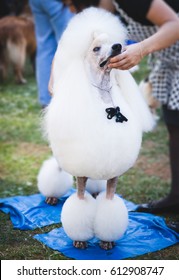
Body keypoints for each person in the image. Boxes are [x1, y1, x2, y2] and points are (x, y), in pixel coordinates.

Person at [63, 1, 179, 222]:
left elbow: (175, 25)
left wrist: (142, 48)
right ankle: (176, 196)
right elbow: (74, 43)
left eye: (71, 4)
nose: (71, 10)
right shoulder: (105, 9)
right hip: (172, 60)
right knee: (175, 125)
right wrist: (55, 74)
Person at [29, 0, 73, 108]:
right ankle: (70, 101)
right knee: (70, 47)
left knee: (45, 47)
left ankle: (46, 102)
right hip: (58, 3)